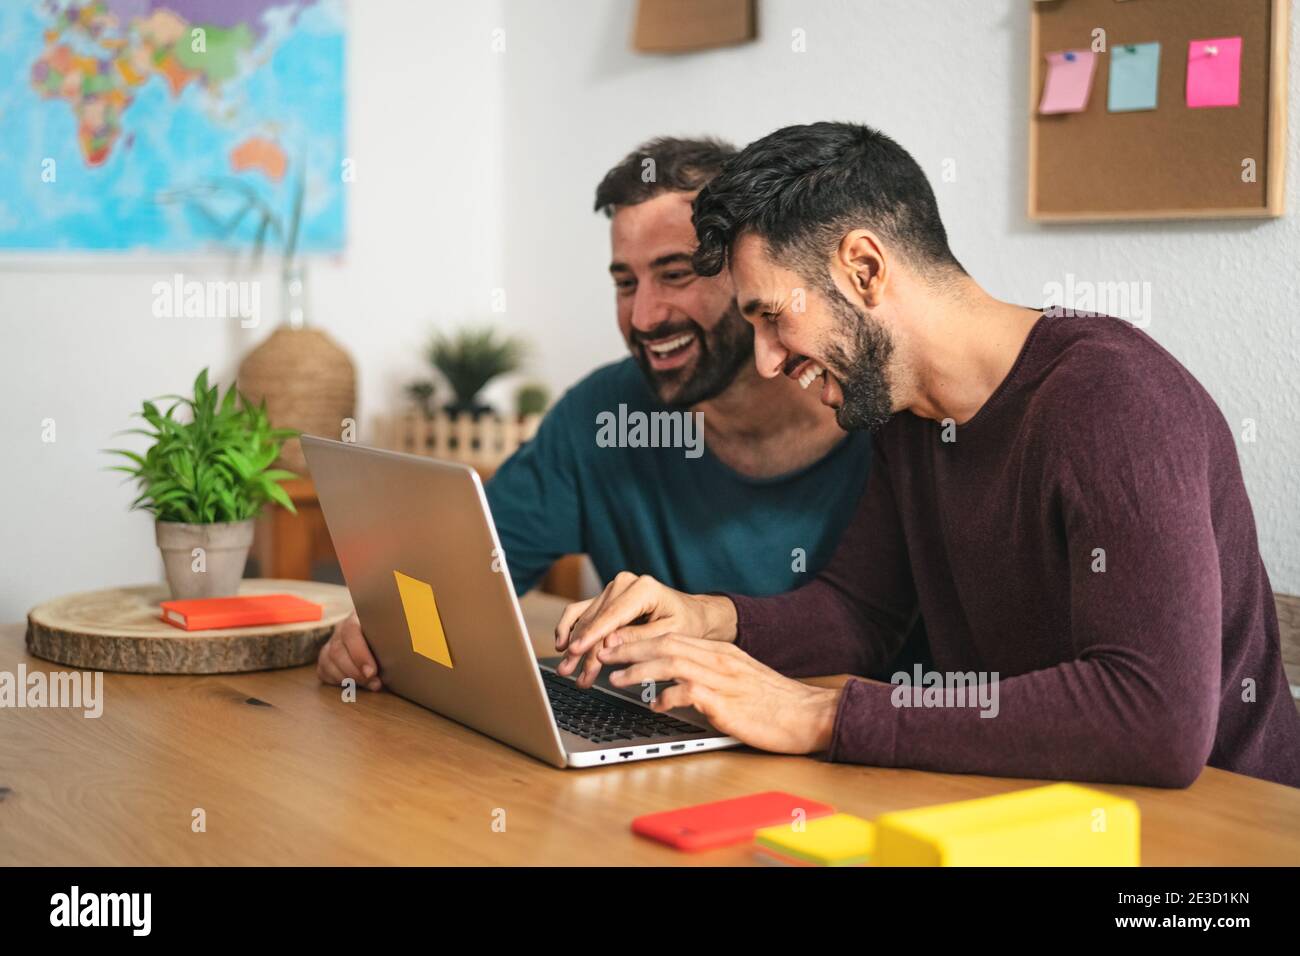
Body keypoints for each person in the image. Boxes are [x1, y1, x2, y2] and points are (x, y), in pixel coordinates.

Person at [555, 121, 1300, 789]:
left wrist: (821, 717)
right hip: (1029, 808)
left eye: (774, 318)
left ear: (865, 269)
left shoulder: (1112, 399)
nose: (769, 360)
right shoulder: (907, 414)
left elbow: (1155, 719)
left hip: (1209, 840)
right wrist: (706, 618)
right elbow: (859, 613)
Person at [317, 137, 873, 693]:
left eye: (676, 274)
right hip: (666, 751)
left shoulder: (879, 416)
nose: (644, 315)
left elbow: (872, 630)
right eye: (625, 283)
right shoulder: (601, 416)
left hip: (850, 756)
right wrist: (379, 628)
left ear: (751, 271)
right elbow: (469, 571)